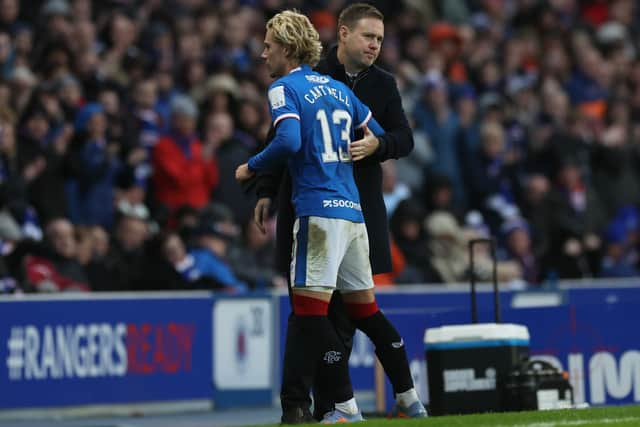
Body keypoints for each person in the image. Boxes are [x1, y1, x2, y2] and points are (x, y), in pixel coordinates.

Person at [237, 9, 425, 424]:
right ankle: (407, 399)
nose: (376, 44)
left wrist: (251, 169)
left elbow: (285, 137)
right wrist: (268, 190)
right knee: (360, 312)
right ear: (343, 34)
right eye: (369, 36)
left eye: (380, 37)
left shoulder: (297, 85)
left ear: (285, 48)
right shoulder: (336, 86)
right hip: (351, 210)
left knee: (311, 314)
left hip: (319, 210)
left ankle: (339, 407)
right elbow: (364, 124)